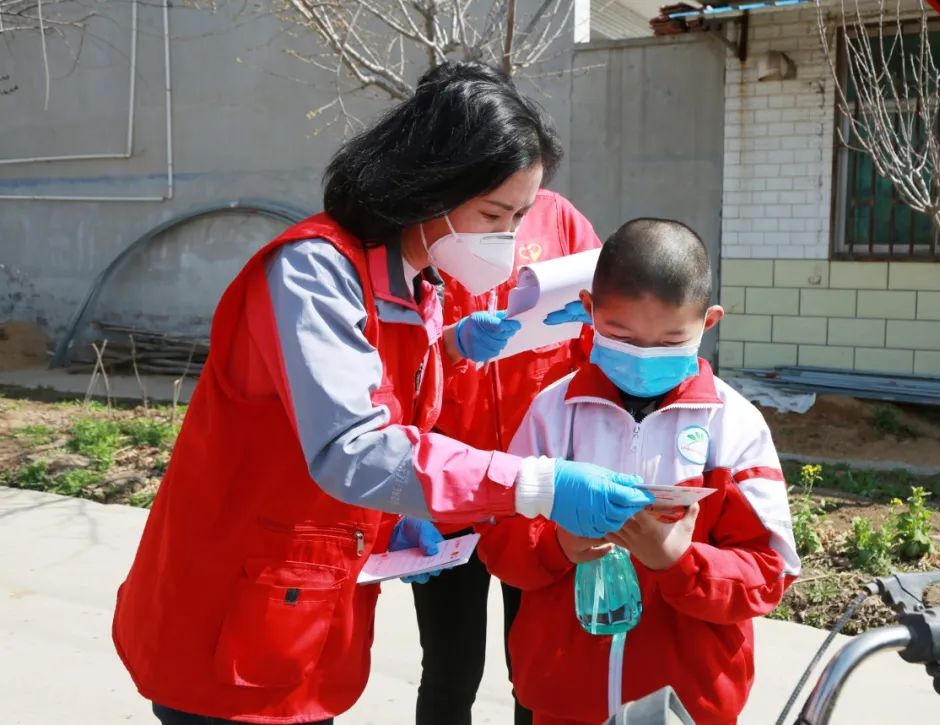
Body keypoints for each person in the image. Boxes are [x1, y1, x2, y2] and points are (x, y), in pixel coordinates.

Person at [111, 61, 652, 725]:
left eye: (518, 218)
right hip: (230, 611)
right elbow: (354, 448)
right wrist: (538, 483)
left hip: (300, 615)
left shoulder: (418, 287)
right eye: (493, 215)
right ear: (428, 186)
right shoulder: (313, 273)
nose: (507, 241)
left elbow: (397, 428)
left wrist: (398, 518)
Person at [476, 218, 802, 725]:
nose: (644, 356)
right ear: (589, 310)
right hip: (564, 697)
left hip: (686, 704)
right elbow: (498, 541)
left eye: (670, 341)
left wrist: (680, 563)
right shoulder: (552, 413)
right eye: (621, 335)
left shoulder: (732, 426)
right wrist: (558, 546)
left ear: (708, 322)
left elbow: (768, 572)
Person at [411, 187, 600, 725]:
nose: (507, 220)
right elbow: (393, 362)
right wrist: (449, 344)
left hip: (538, 493)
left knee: (535, 669)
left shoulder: (559, 218)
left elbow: (601, 340)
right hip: (448, 494)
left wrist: (601, 321)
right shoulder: (428, 221)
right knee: (450, 670)